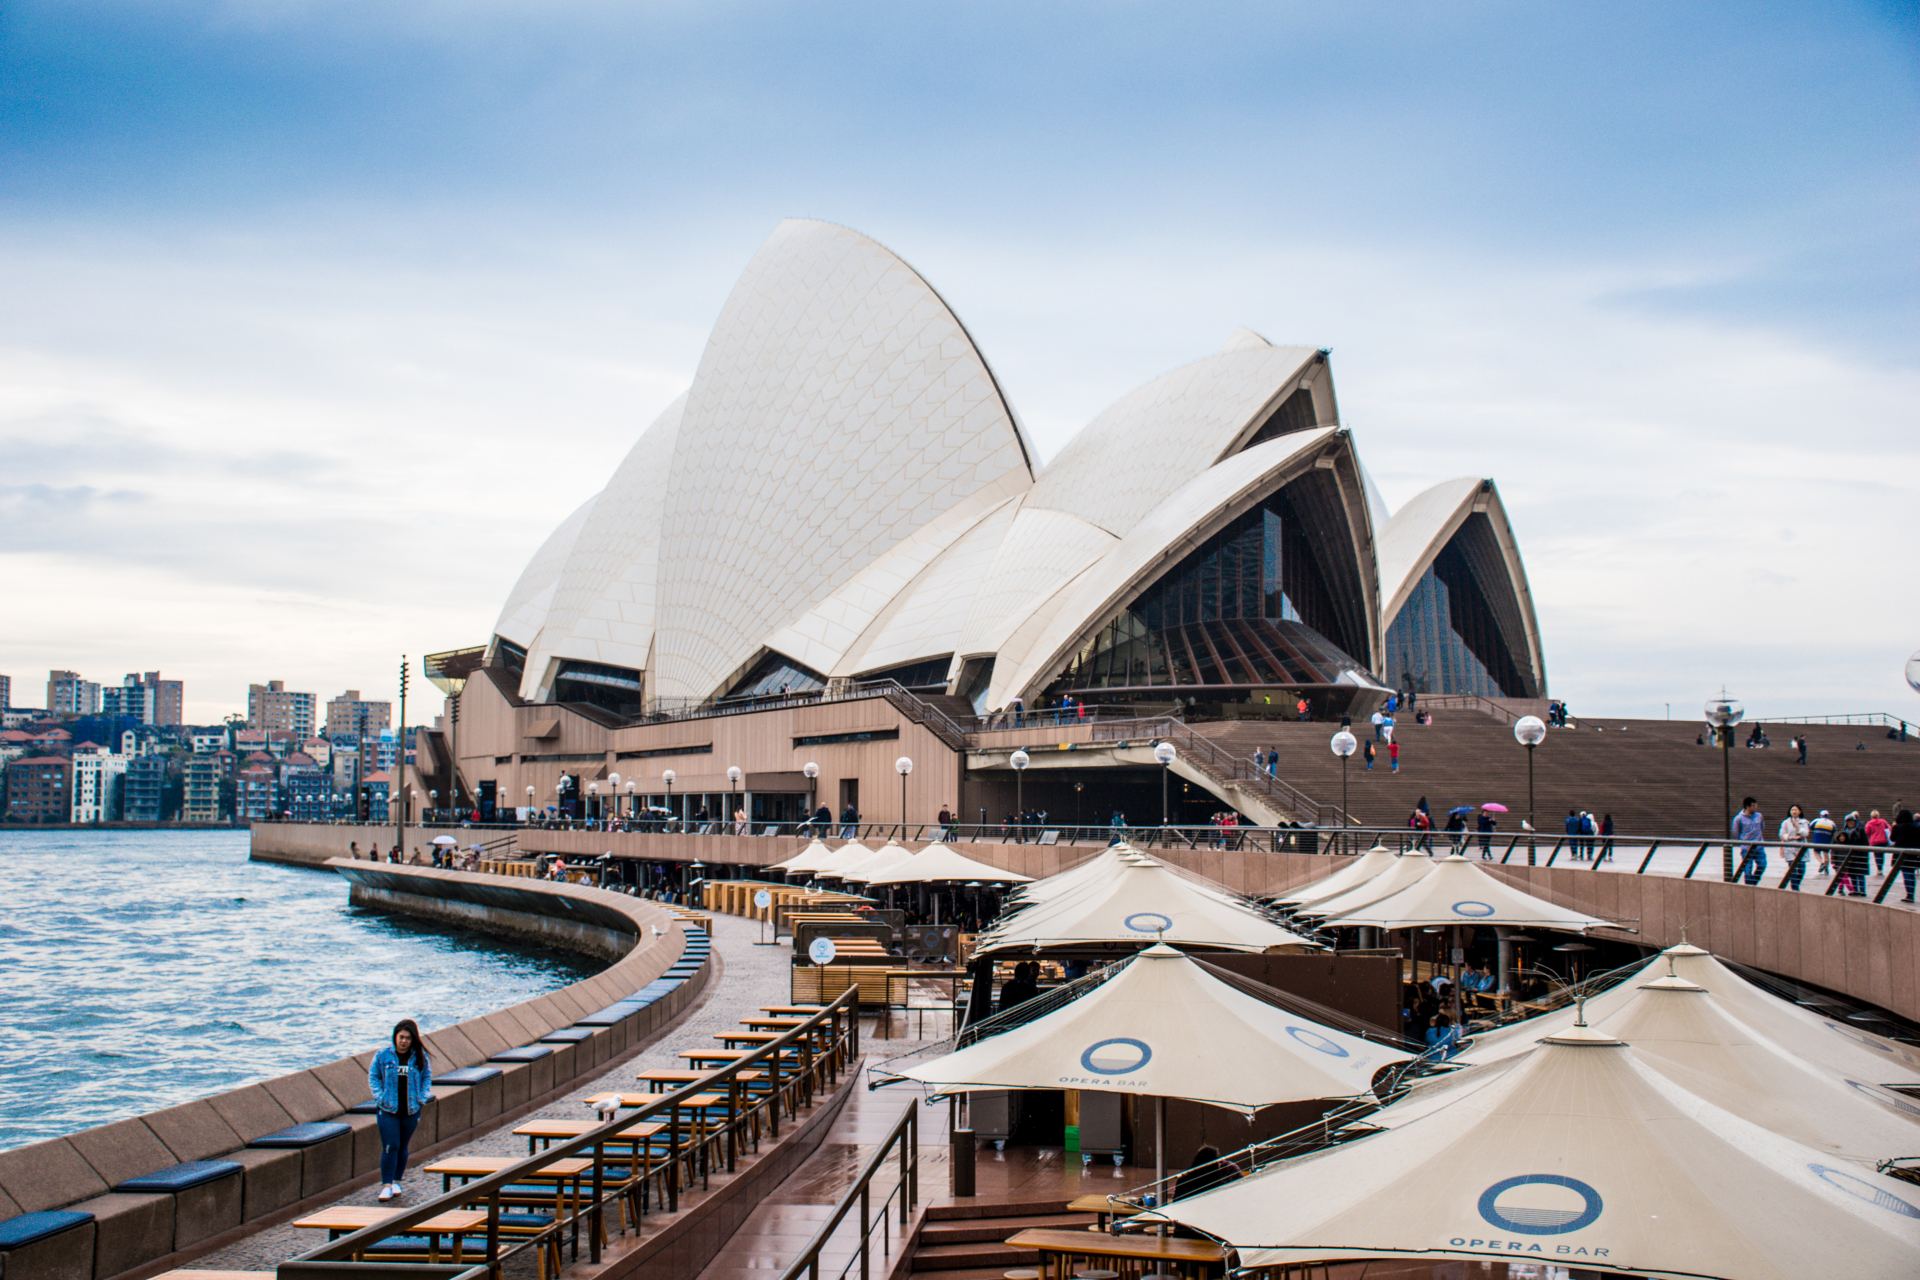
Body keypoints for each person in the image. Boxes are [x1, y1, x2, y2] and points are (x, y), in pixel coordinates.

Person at [369, 1018, 433, 1202]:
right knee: (391, 1145)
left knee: (403, 1146)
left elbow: (426, 1078)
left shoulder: (419, 1058)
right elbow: (373, 1077)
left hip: (411, 1109)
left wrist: (422, 1098)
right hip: (388, 1109)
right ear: (395, 1037)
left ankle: (397, 1181)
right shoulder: (383, 1056)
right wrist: (380, 1097)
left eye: (408, 1038)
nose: (404, 1041)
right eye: (401, 1037)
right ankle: (386, 1185)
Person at [1731, 797, 1766, 885]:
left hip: (1759, 846)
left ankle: (1753, 883)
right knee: (1747, 869)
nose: (1756, 807)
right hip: (1746, 848)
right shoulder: (1738, 819)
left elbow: (1762, 827)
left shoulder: (1759, 816)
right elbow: (1735, 833)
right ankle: (1749, 887)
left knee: (1762, 865)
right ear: (1747, 806)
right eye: (1753, 806)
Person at [1778, 804, 1811, 890]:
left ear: (1800, 811)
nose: (1794, 811)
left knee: (1801, 869)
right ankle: (1795, 888)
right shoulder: (1785, 822)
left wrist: (1797, 827)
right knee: (1793, 870)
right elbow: (1782, 834)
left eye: (1796, 810)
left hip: (1801, 848)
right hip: (1790, 848)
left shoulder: (1804, 822)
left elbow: (1806, 833)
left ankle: (1796, 885)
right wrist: (1791, 837)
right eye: (1792, 810)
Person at [1838, 812, 1871, 897]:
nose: (1850, 823)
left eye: (1852, 821)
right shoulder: (1844, 831)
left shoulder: (1860, 830)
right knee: (1852, 874)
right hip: (1850, 856)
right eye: (1849, 822)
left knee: (1860, 874)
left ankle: (1862, 890)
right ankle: (1855, 890)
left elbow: (1866, 843)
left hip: (1860, 856)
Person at [1890, 808, 1919, 904]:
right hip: (1913, 854)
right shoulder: (1916, 826)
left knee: (1906, 873)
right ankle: (1911, 893)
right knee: (1911, 873)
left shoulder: (1897, 827)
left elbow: (1892, 838)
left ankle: (1909, 894)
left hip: (1901, 854)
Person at [1809, 808, 1838, 879]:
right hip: (1827, 840)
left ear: (1820, 815)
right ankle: (1826, 868)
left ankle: (1822, 863)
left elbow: (1810, 827)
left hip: (1817, 839)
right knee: (1825, 853)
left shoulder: (1816, 820)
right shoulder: (1832, 823)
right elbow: (1835, 832)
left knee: (1816, 852)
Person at [1866, 809, 1891, 874]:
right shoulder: (1883, 821)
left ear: (1871, 816)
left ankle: (1879, 868)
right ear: (1878, 815)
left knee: (1877, 855)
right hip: (1883, 841)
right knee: (1882, 855)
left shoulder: (1869, 823)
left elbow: (1867, 832)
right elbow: (1889, 828)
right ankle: (1881, 868)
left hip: (1874, 842)